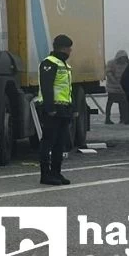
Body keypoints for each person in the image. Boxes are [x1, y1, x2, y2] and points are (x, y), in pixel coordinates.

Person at [37, 35, 75, 186]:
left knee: (60, 143)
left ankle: (56, 173)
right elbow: (47, 87)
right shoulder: (49, 63)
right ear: (63, 48)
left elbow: (67, 88)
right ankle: (45, 175)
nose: (71, 51)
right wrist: (50, 108)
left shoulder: (63, 64)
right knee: (48, 142)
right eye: (69, 48)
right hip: (52, 109)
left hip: (64, 108)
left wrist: (72, 108)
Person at [104, 50, 129, 125]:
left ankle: (123, 118)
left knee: (122, 103)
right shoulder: (111, 63)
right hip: (112, 88)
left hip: (122, 88)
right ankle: (107, 118)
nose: (123, 60)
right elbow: (108, 73)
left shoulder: (126, 64)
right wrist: (115, 82)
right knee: (110, 103)